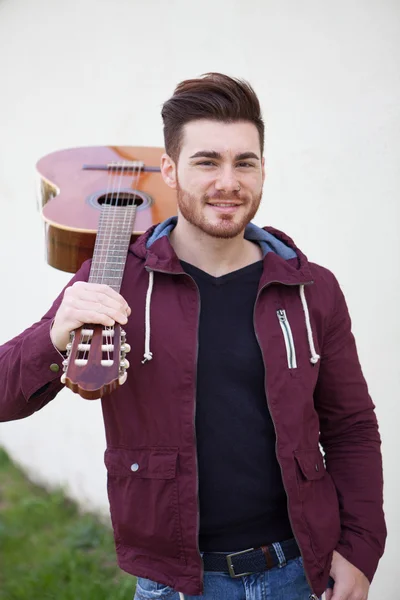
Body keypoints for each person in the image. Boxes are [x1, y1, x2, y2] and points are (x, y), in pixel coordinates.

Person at [0, 73, 386, 600]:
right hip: (176, 584)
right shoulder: (114, 278)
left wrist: (360, 549)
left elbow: (352, 428)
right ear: (170, 171)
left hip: (298, 571)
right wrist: (55, 335)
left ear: (262, 169)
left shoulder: (311, 287)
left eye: (244, 162)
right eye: (207, 161)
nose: (228, 181)